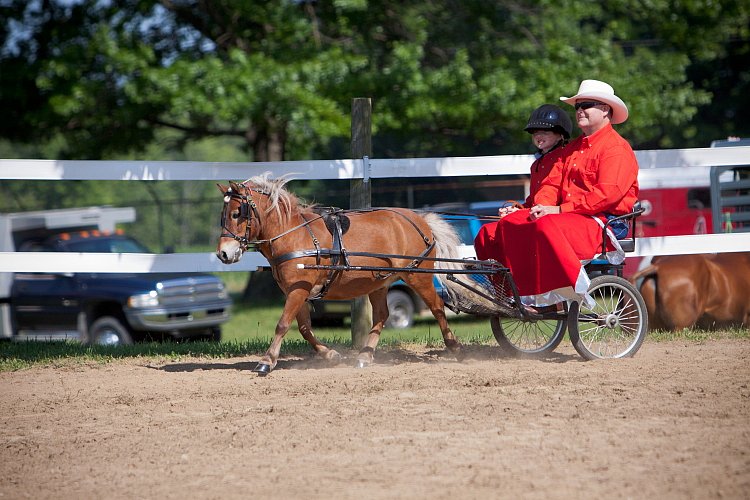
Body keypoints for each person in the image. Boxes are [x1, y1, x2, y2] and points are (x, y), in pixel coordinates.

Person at [475, 79, 639, 306]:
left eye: (587, 104)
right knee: (496, 229)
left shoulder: (616, 148)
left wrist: (558, 210)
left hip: (604, 222)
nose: (580, 110)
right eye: (577, 106)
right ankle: (511, 296)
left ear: (604, 110)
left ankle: (569, 290)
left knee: (545, 225)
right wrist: (534, 209)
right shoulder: (572, 149)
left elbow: (606, 195)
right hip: (571, 218)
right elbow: (551, 184)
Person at [474, 104, 573, 261]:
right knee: (486, 232)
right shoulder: (537, 164)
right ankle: (501, 279)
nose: (538, 136)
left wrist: (519, 213)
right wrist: (516, 208)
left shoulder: (562, 160)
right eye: (535, 133)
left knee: (503, 228)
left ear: (561, 135)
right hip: (536, 214)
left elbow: (548, 197)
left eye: (545, 131)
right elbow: (532, 200)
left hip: (551, 218)